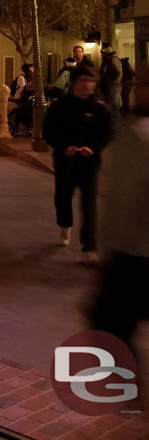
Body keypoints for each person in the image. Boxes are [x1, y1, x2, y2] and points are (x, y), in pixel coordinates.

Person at [89, 66, 149, 353]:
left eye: (142, 84)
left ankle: (131, 392)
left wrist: (108, 251)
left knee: (108, 325)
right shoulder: (134, 134)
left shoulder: (138, 139)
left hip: (135, 257)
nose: (136, 89)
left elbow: (122, 202)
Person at [43, 66, 115, 263]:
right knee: (62, 197)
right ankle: (65, 224)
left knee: (89, 203)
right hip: (65, 161)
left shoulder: (100, 109)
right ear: (74, 82)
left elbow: (108, 133)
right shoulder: (60, 106)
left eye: (91, 81)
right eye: (84, 80)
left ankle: (89, 247)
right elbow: (48, 131)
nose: (88, 85)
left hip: (89, 162)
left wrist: (93, 148)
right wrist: (63, 147)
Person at [99, 45, 123, 111]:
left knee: (113, 104)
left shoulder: (113, 60)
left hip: (114, 86)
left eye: (103, 54)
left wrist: (110, 80)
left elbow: (116, 71)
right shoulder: (109, 60)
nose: (102, 55)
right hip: (112, 86)